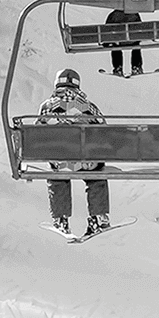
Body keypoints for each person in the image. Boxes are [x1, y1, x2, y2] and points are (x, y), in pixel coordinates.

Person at [35, 67, 112, 237]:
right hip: (87, 162)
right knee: (96, 176)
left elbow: (37, 135)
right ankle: (98, 217)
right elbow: (104, 131)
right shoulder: (88, 107)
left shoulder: (47, 106)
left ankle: (61, 220)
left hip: (61, 162)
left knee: (58, 176)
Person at [107, 10, 145, 79]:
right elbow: (139, 29)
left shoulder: (113, 15)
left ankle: (118, 68)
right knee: (136, 43)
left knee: (115, 44)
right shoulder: (134, 13)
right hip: (132, 41)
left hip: (119, 41)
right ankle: (136, 67)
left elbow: (107, 31)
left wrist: (106, 43)